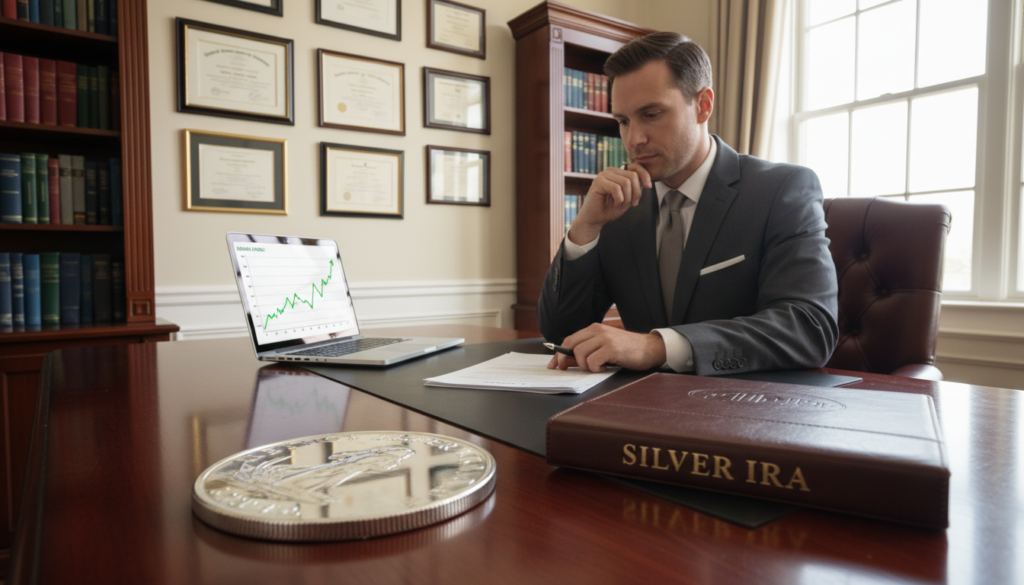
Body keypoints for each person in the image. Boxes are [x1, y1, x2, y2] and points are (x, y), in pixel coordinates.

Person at [540, 32, 838, 376]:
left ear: (703, 105)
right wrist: (584, 229)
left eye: (651, 114)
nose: (634, 139)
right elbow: (560, 333)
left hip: (745, 410)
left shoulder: (781, 190)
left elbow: (810, 327)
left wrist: (656, 346)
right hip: (636, 411)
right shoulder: (619, 208)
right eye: (623, 121)